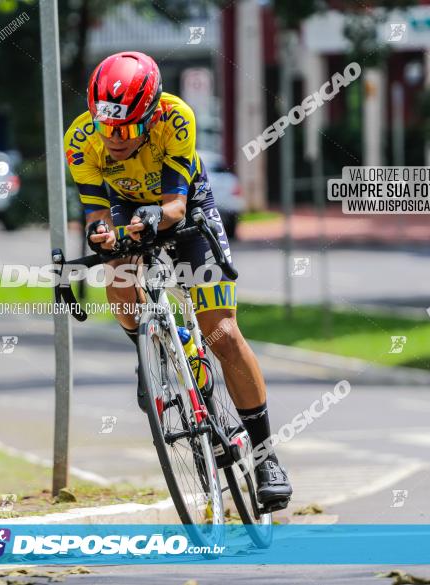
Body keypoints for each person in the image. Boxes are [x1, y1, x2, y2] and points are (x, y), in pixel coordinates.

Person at [63, 51, 292, 509]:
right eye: (107, 127)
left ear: (150, 114)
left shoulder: (177, 117)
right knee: (118, 271)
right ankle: (152, 351)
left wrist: (150, 224)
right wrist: (101, 232)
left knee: (223, 334)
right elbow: (94, 211)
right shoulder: (80, 139)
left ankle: (266, 457)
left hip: (186, 207)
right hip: (127, 206)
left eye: (127, 129)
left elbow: (173, 207)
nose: (114, 139)